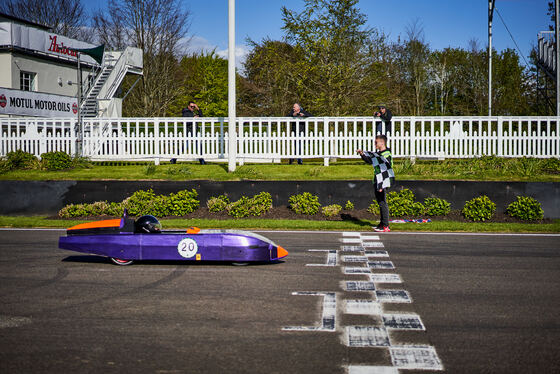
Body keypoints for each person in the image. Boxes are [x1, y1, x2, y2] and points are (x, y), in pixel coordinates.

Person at [357, 134, 394, 232]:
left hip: (382, 181)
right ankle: (382, 224)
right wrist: (362, 154)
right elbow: (370, 161)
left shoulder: (386, 154)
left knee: (382, 203)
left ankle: (386, 225)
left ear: (382, 142)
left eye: (376, 142)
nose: (375, 144)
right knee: (380, 202)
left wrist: (382, 184)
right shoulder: (379, 153)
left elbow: (386, 169)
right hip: (377, 180)